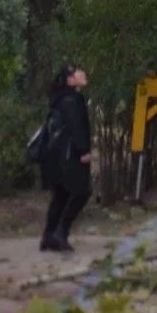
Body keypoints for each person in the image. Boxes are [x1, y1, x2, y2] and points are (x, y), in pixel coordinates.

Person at [39, 64, 92, 253]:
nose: (83, 73)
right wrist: (84, 151)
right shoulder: (73, 99)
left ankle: (48, 236)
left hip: (55, 155)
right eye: (79, 71)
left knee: (61, 194)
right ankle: (61, 233)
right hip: (71, 155)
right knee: (82, 191)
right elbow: (76, 127)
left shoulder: (59, 99)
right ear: (70, 79)